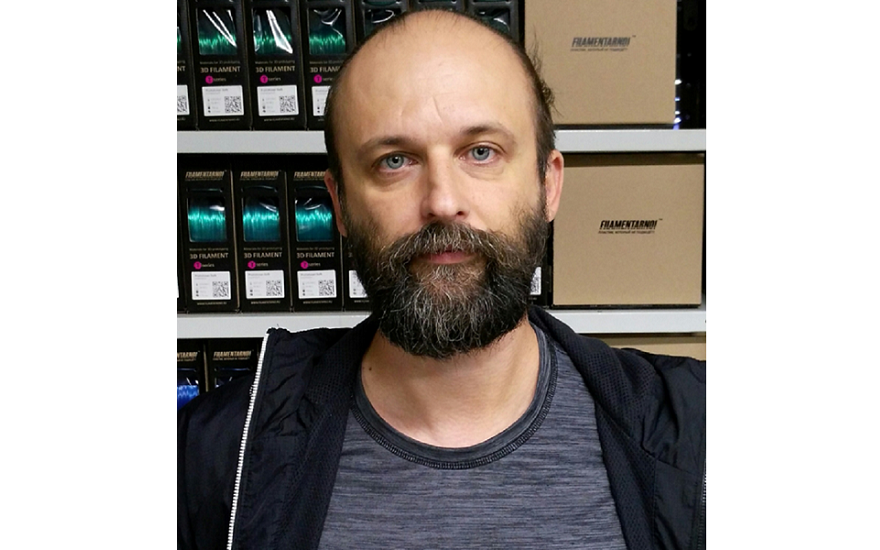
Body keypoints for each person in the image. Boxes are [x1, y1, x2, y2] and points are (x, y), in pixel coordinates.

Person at [178, 8, 706, 550]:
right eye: (394, 161)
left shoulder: (702, 436)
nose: (442, 201)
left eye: (481, 152)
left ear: (548, 186)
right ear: (340, 204)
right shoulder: (210, 457)